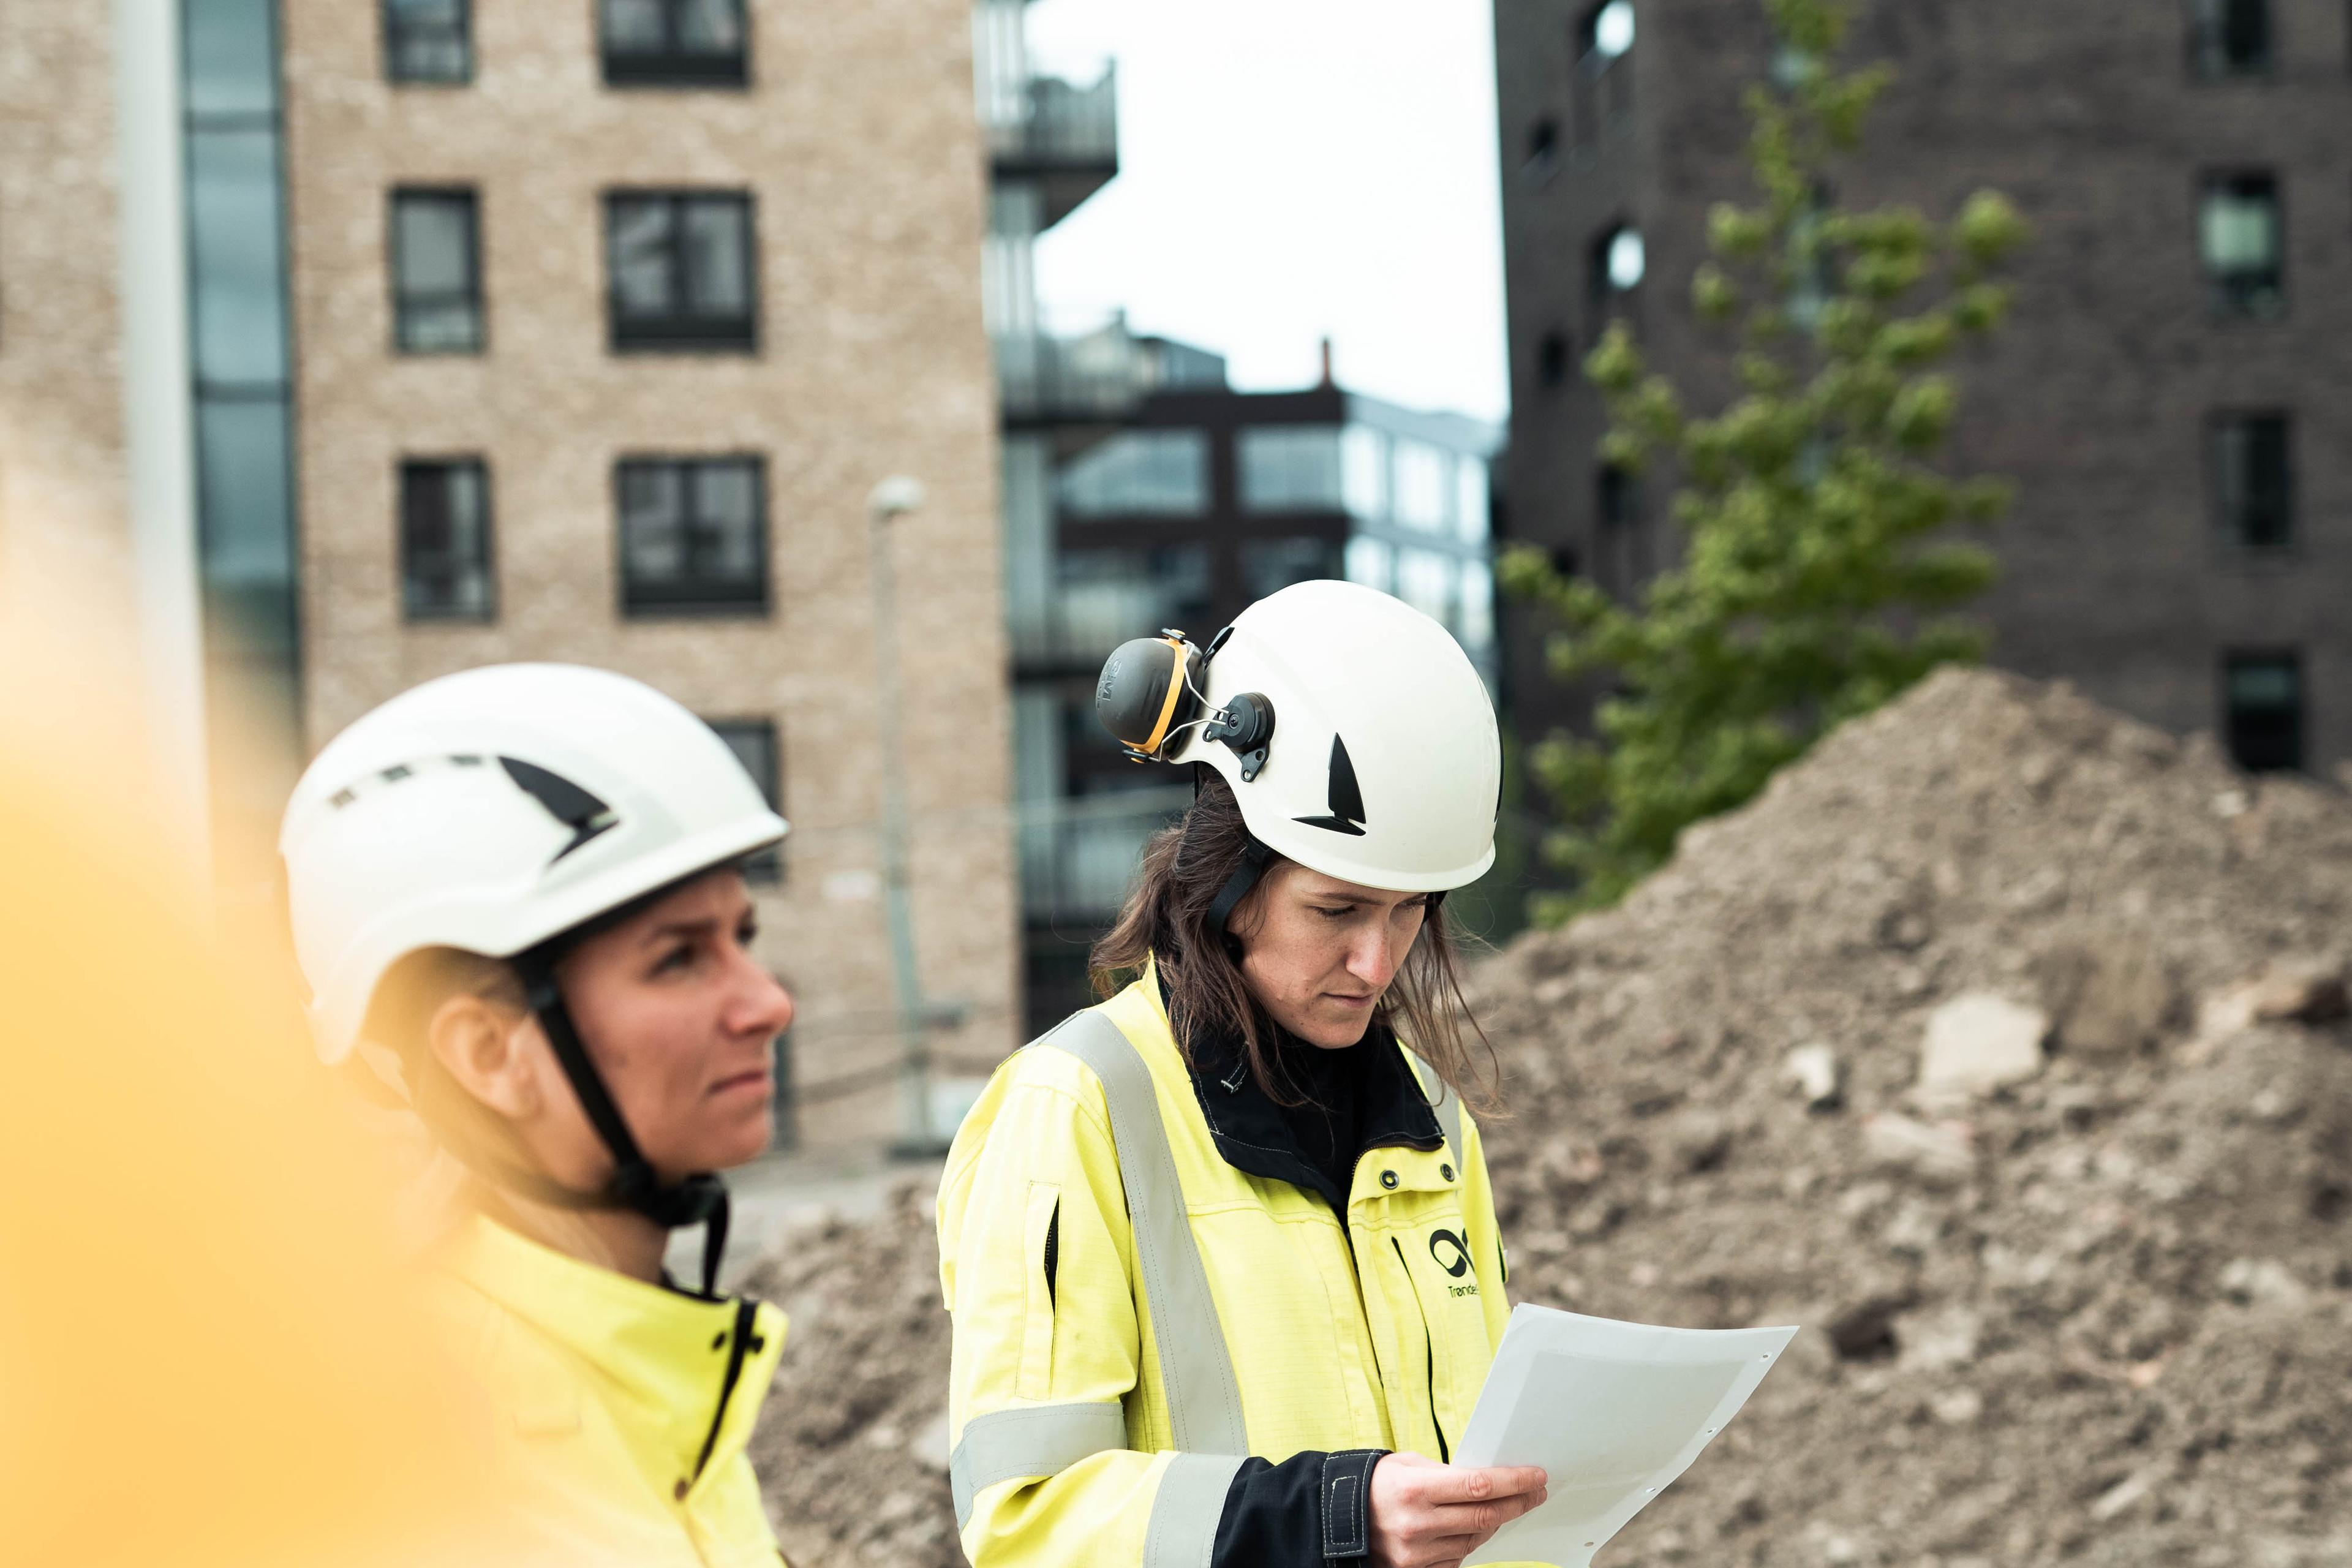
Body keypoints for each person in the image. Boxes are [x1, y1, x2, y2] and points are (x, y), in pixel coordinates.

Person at [938, 580, 1552, 1568]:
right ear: (1226, 880)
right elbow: (1027, 1518)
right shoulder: (1077, 1108)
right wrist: (1336, 1520)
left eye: (1411, 912)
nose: (1378, 964)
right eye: (1337, 910)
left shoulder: (1431, 1120)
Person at [279, 663, 799, 1567]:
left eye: (742, 939)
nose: (769, 1004)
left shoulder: (642, 1380)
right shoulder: (422, 1463)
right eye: (678, 959)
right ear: (490, 1055)